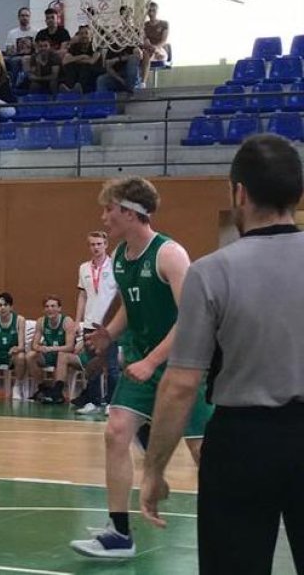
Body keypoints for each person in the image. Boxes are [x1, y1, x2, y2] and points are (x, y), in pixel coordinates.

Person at [139, 134, 303, 575]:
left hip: (243, 442)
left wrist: (154, 469)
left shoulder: (211, 273)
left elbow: (181, 385)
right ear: (298, 194)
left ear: (240, 193)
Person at [68, 177, 213, 559]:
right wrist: (108, 334)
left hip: (183, 366)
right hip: (141, 362)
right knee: (116, 432)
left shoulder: (170, 254)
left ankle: (230, 528)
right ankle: (119, 533)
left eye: (109, 209)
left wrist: (153, 361)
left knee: (205, 455)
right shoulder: (121, 256)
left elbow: (192, 319)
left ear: (131, 213)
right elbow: (132, 310)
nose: (104, 216)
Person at [72, 230, 119, 414]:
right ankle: (93, 401)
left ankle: (111, 403)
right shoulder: (84, 268)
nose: (96, 248)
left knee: (112, 366)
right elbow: (82, 295)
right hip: (90, 324)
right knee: (91, 366)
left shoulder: (115, 266)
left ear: (106, 245)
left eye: (99, 244)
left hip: (109, 325)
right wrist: (78, 321)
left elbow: (119, 294)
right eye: (92, 244)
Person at [29, 296, 79, 404]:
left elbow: (70, 346)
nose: (50, 309)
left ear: (59, 308)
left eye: (53, 306)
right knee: (30, 356)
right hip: (48, 354)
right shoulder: (41, 321)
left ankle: (57, 393)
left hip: (64, 355)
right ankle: (42, 388)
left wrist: (52, 348)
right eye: (47, 306)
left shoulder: (67, 321)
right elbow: (34, 344)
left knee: (61, 357)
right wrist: (39, 348)